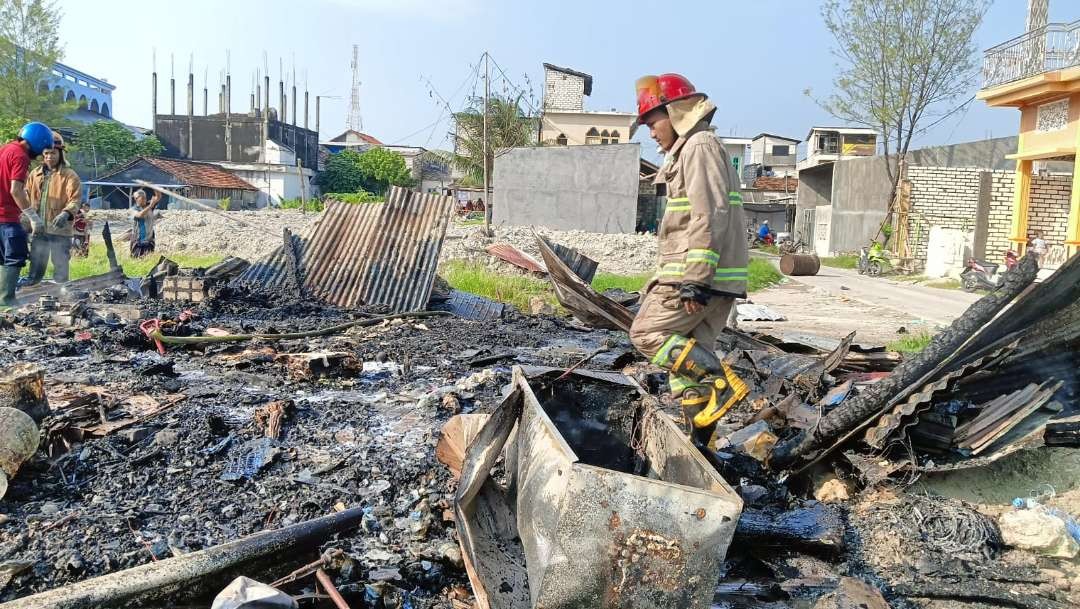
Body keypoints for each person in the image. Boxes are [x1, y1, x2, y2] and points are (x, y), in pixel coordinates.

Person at [627, 74, 749, 447]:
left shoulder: (698, 146)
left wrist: (694, 279)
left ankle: (721, 382)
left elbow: (707, 214)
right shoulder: (694, 150)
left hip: (693, 279)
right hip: (712, 280)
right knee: (685, 376)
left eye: (652, 122)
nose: (650, 133)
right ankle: (702, 447)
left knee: (646, 334)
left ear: (676, 112)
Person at [0, 122, 53, 307]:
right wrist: (32, 215)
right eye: (41, 150)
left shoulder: (5, 149)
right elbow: (16, 190)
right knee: (15, 255)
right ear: (38, 142)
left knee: (2, 258)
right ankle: (7, 301)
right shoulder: (21, 156)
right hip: (6, 217)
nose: (39, 155)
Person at [25, 131, 82, 284]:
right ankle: (32, 297)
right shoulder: (34, 175)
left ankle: (62, 297)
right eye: (47, 153)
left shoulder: (70, 175)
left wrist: (66, 213)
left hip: (60, 232)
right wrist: (25, 224)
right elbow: (26, 199)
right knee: (35, 268)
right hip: (39, 230)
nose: (50, 157)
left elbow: (75, 200)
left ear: (61, 154)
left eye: (53, 153)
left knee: (61, 269)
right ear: (42, 155)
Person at [130, 188, 162, 258]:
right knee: (136, 260)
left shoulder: (149, 205)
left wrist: (155, 188)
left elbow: (158, 197)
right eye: (142, 198)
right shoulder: (134, 209)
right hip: (138, 242)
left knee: (148, 260)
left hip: (149, 241)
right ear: (136, 199)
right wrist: (150, 206)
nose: (144, 199)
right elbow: (140, 215)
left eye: (145, 198)